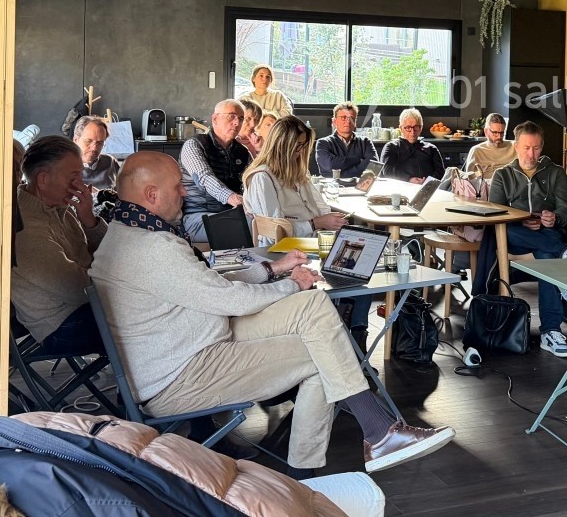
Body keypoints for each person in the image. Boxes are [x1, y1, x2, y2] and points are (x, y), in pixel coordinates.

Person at [89, 152, 454, 477]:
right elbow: (227, 299)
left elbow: (201, 283)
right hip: (182, 376)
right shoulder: (154, 248)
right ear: (151, 195)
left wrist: (273, 271)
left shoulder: (127, 232)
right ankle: (313, 471)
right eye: (176, 187)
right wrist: (289, 284)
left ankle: (376, 434)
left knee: (312, 306)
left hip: (193, 343)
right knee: (321, 354)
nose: (184, 193)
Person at [242, 116, 369, 349]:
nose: (301, 152)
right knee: (354, 269)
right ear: (283, 146)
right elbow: (274, 231)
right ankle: (347, 337)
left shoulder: (298, 174)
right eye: (297, 147)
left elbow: (320, 207)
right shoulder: (262, 177)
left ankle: (355, 335)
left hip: (310, 244)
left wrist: (332, 220)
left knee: (362, 262)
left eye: (303, 146)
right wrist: (317, 223)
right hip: (282, 251)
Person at [474, 121, 567, 358]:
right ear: (516, 147)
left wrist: (555, 218)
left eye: (537, 148)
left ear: (542, 147)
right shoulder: (503, 175)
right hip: (514, 234)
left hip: (546, 233)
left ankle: (550, 331)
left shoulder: (555, 172)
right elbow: (497, 213)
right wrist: (520, 220)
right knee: (507, 233)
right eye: (526, 148)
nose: (532, 154)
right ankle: (563, 250)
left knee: (547, 257)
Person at [11, 135, 106, 355]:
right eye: (73, 176)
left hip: (86, 306)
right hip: (61, 326)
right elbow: (79, 289)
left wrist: (89, 221)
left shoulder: (59, 207)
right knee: (148, 315)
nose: (81, 184)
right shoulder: (25, 225)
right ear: (43, 180)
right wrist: (117, 275)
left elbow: (110, 252)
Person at [179, 100, 253, 243]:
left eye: (241, 118)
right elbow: (204, 178)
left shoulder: (242, 152)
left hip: (231, 214)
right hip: (197, 216)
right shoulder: (194, 145)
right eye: (231, 116)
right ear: (215, 119)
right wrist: (232, 198)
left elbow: (253, 182)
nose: (237, 123)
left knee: (268, 222)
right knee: (250, 226)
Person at [379, 108, 444, 183]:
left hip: (427, 189)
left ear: (421, 128)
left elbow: (440, 172)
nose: (412, 132)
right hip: (399, 190)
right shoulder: (391, 147)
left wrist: (427, 182)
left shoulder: (431, 148)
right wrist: (409, 179)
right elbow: (387, 171)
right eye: (408, 128)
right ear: (401, 128)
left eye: (416, 127)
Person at [314, 102, 376, 178]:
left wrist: (340, 174)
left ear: (355, 122)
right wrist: (359, 160)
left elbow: (374, 166)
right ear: (334, 121)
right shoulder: (323, 143)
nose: (348, 121)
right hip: (332, 187)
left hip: (359, 186)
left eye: (352, 118)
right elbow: (330, 165)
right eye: (343, 117)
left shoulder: (365, 142)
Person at [462, 113, 516, 178]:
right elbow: (469, 179)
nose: (499, 136)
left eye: (502, 133)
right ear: (486, 131)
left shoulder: (514, 146)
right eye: (495, 132)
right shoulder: (477, 151)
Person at [73, 115, 119, 191]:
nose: (94, 148)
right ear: (76, 140)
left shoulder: (110, 162)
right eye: (88, 141)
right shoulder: (62, 166)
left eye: (100, 143)